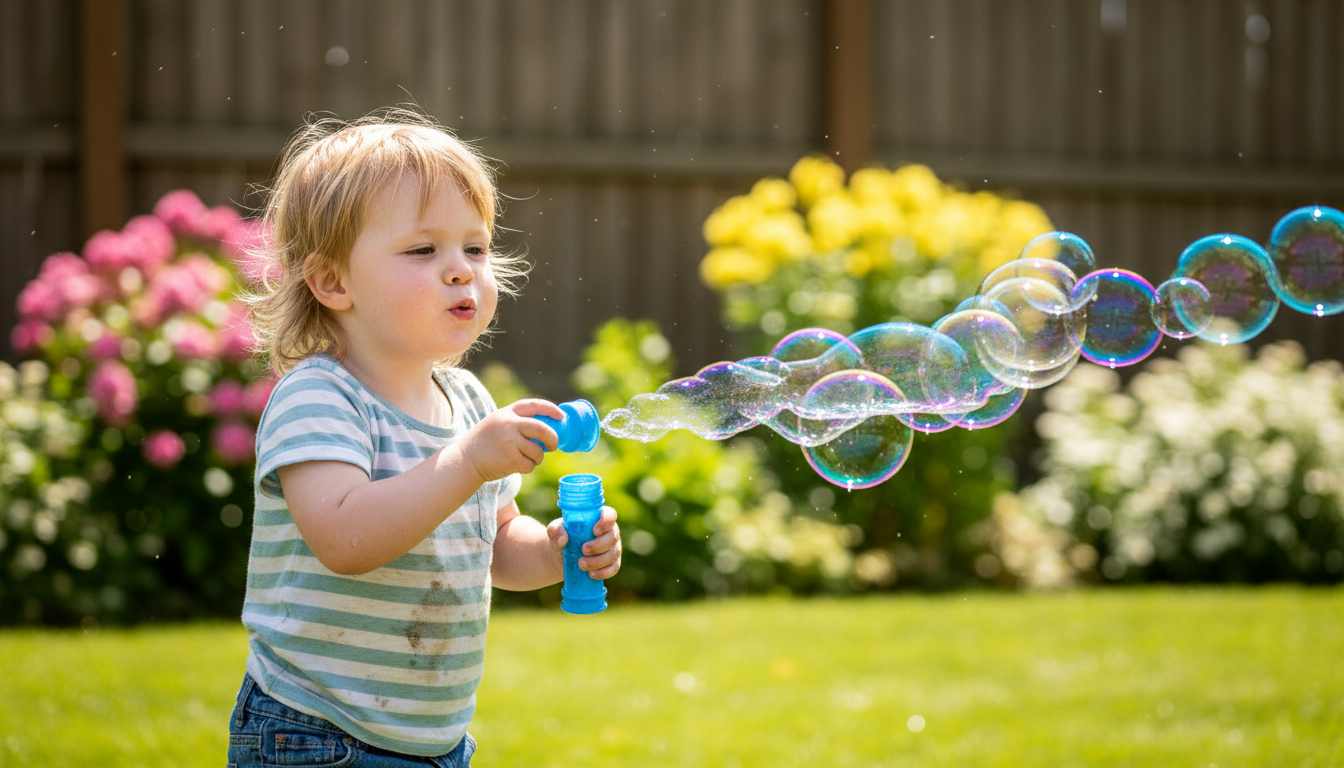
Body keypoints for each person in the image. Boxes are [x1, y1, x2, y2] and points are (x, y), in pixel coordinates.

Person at [227, 109, 622, 767]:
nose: (462, 269)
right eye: (422, 249)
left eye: (475, 247)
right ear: (332, 281)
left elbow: (495, 544)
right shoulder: (320, 398)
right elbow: (347, 540)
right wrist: (467, 459)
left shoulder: (468, 402)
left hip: (433, 742)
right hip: (317, 732)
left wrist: (557, 553)